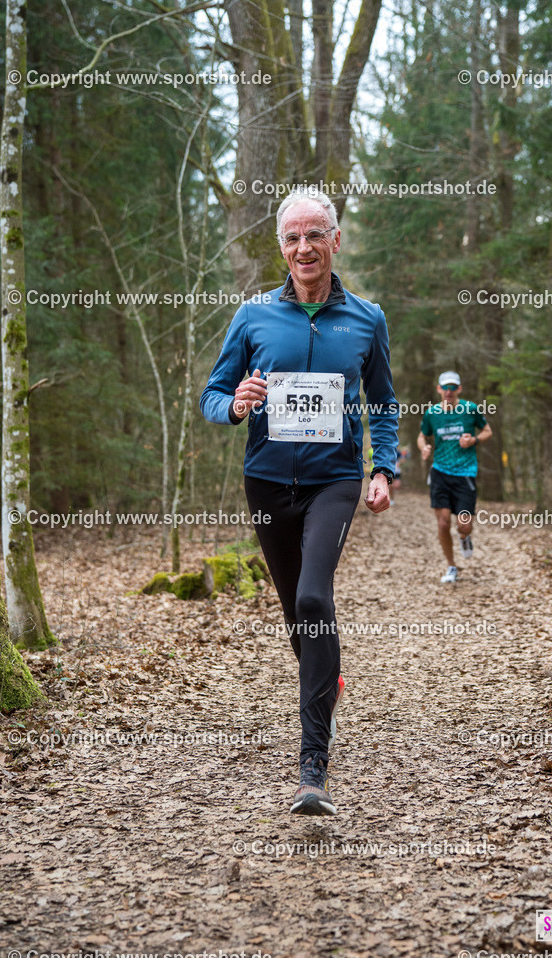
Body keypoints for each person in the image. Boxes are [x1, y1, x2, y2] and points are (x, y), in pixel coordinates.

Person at [200, 188, 398, 816]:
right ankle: (326, 679)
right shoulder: (253, 316)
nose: (304, 247)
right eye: (292, 238)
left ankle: (313, 766)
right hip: (266, 482)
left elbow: (384, 403)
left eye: (315, 235)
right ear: (280, 247)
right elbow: (212, 394)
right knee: (296, 614)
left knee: (315, 597)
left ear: (335, 241)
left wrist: (383, 469)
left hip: (334, 481)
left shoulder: (367, 318)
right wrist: (235, 404)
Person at [417, 371, 492, 583]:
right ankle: (451, 566)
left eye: (453, 387)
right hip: (440, 471)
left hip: (465, 473)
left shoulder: (470, 409)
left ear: (459, 389)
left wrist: (474, 440)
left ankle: (464, 536)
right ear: (439, 389)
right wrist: (424, 448)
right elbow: (422, 435)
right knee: (442, 524)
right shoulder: (432, 413)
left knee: (464, 523)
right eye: (445, 387)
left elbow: (487, 431)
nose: (449, 391)